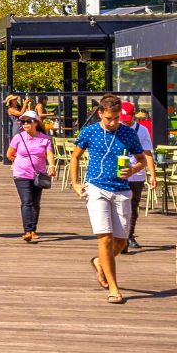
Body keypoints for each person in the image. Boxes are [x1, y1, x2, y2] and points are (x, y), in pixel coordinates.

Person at [70, 93, 156, 304]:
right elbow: (75, 156)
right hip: (96, 187)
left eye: (116, 118)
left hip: (121, 189)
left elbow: (141, 159)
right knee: (105, 237)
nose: (113, 122)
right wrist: (75, 183)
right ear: (100, 114)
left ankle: (100, 262)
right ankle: (114, 288)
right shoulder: (90, 132)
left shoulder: (128, 133)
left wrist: (133, 169)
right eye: (109, 118)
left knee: (120, 241)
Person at [6, 110, 56, 243]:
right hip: (21, 174)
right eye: (23, 122)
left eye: (28, 121)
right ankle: (27, 230)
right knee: (26, 201)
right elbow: (9, 154)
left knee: (35, 203)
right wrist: (19, 162)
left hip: (38, 174)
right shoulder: (19, 137)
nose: (25, 124)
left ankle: (33, 229)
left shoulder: (44, 138)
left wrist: (51, 166)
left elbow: (49, 154)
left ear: (36, 123)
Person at [119, 102, 153, 251]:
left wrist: (153, 174)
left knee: (133, 206)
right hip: (119, 174)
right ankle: (121, 237)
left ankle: (129, 235)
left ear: (134, 116)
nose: (123, 121)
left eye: (126, 118)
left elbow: (147, 153)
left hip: (137, 174)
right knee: (119, 205)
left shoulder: (142, 130)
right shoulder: (116, 129)